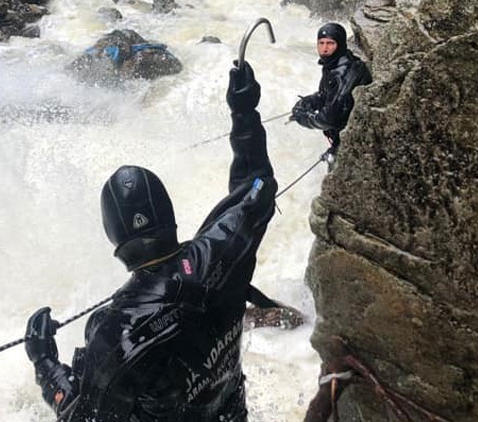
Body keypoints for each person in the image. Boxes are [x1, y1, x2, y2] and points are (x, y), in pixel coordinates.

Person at [25, 60, 278, 421]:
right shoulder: (222, 247)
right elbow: (257, 185)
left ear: (114, 237)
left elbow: (83, 417)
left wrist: (45, 363)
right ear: (168, 214)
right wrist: (244, 111)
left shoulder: (117, 333)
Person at [290, 22, 372, 157]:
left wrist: (304, 118)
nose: (324, 48)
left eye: (330, 43)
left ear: (339, 44)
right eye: (321, 43)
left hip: (355, 141)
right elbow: (327, 95)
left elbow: (329, 119)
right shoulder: (336, 63)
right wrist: (308, 102)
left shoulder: (343, 72)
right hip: (345, 136)